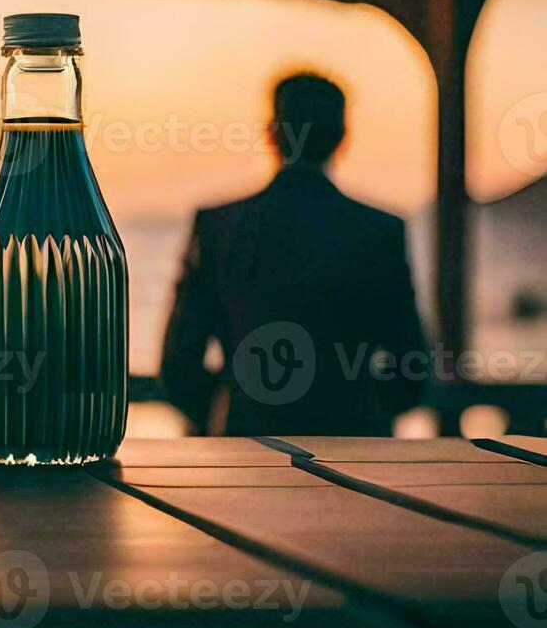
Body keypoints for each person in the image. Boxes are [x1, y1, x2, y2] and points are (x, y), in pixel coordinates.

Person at [159, 73, 430, 436]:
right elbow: (412, 371)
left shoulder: (217, 228)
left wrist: (233, 403)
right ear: (341, 137)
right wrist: (363, 404)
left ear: (272, 133)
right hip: (356, 455)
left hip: (245, 451)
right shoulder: (379, 232)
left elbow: (178, 368)